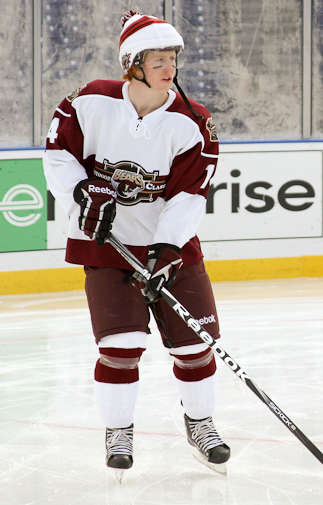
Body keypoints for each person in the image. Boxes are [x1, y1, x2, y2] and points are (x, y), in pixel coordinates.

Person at [42, 11, 230, 477]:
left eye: (173, 59)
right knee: (121, 346)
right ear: (132, 64)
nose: (170, 68)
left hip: (170, 250)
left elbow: (189, 195)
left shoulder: (193, 124)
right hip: (107, 249)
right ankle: (119, 431)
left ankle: (201, 423)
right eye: (158, 59)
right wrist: (81, 194)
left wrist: (167, 250)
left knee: (195, 347)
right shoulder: (90, 102)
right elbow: (58, 155)